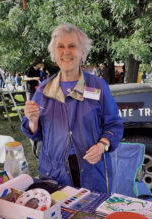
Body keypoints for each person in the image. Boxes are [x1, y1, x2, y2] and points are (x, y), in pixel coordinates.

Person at [21, 23, 123, 194]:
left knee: (91, 218)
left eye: (72, 46)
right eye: (60, 47)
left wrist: (102, 146)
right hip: (54, 173)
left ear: (82, 52)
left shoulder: (98, 86)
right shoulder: (44, 90)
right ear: (54, 54)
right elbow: (36, 134)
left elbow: (114, 124)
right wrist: (33, 121)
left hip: (92, 171)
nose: (66, 51)